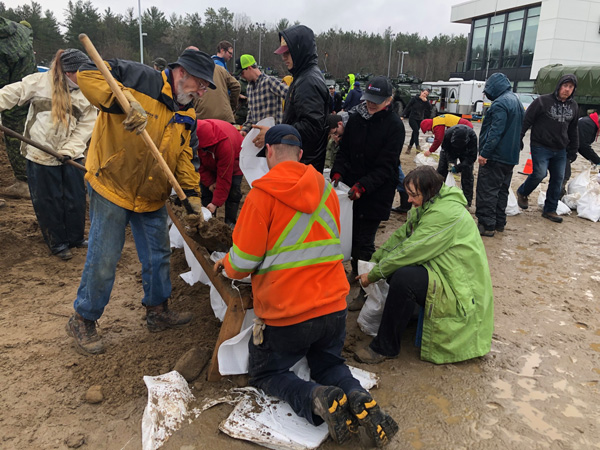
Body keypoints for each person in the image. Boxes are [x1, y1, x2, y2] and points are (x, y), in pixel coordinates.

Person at [214, 124, 398, 447]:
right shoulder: (326, 191)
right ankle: (357, 395)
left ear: (269, 152)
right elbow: (333, 244)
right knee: (328, 363)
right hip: (332, 310)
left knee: (266, 373)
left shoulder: (261, 195)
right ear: (300, 155)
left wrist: (224, 264)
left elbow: (243, 262)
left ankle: (316, 399)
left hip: (288, 315)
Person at [66, 48, 215, 355]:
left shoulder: (187, 113)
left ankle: (157, 311)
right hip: (112, 183)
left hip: (151, 196)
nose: (201, 91)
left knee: (158, 256)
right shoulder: (137, 77)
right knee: (105, 257)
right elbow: (87, 73)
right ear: (181, 72)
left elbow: (184, 158)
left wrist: (194, 200)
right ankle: (83, 318)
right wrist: (122, 100)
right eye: (200, 83)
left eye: (204, 87)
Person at [353, 166, 494, 365]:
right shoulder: (431, 203)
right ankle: (407, 317)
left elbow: (410, 249)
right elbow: (403, 236)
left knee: (403, 278)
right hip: (444, 271)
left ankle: (385, 347)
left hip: (460, 288)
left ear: (429, 191)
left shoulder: (445, 213)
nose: (408, 200)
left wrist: (374, 274)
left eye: (413, 195)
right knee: (394, 270)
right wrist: (376, 260)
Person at [0, 48, 97, 259]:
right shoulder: (40, 82)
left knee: (75, 198)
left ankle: (75, 238)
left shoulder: (88, 92)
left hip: (71, 155)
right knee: (48, 201)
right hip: (40, 154)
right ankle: (58, 243)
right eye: (80, 72)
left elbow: (87, 126)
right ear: (68, 72)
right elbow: (9, 93)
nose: (85, 75)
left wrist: (69, 150)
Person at [331, 76, 405, 310]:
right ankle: (354, 273)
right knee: (350, 238)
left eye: (377, 101)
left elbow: (386, 165)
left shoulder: (394, 126)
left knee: (364, 242)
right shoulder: (356, 118)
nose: (371, 105)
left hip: (376, 191)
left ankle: (365, 287)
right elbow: (344, 152)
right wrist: (337, 173)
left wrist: (363, 186)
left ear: (388, 100)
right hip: (352, 189)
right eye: (369, 100)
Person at [516, 74, 579, 224]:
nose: (567, 89)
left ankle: (550, 209)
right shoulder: (542, 101)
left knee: (558, 179)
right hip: (541, 145)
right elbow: (527, 120)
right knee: (539, 173)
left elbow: (573, 129)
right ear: (559, 86)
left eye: (570, 87)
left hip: (561, 148)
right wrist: (519, 137)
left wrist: (573, 149)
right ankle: (523, 192)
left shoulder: (574, 107)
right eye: (565, 86)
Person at [267, 24, 330, 173]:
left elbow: (311, 127)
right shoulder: (303, 76)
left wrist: (275, 133)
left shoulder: (308, 81)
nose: (283, 57)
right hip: (303, 162)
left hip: (305, 164)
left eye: (287, 53)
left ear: (300, 51)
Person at [475, 73, 524, 237]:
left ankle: (486, 225)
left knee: (487, 190)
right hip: (510, 157)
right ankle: (499, 223)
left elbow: (495, 131)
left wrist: (484, 153)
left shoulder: (499, 104)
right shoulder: (516, 101)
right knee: (502, 190)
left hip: (495, 156)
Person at [0, 17, 37, 200]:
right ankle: (27, 180)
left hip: (12, 86)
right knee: (27, 127)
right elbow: (28, 30)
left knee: (16, 127)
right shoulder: (19, 31)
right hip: (28, 86)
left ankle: (24, 183)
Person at [196, 119, 243, 227]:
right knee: (205, 191)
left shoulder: (225, 145)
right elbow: (198, 165)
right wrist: (210, 182)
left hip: (235, 161)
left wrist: (215, 203)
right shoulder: (194, 138)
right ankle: (208, 223)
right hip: (209, 162)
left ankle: (230, 223)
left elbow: (224, 176)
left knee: (233, 191)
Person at [236, 54, 288, 136]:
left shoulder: (270, 82)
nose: (242, 76)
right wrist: (245, 130)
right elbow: (250, 114)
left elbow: (291, 95)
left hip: (273, 135)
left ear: (249, 67)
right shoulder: (249, 88)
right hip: (258, 137)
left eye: (242, 73)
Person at [436, 124, 477, 208]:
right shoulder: (447, 134)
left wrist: (459, 167)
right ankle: (436, 195)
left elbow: (472, 158)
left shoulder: (472, 137)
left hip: (466, 153)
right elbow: (446, 150)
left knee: (467, 175)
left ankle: (467, 201)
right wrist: (451, 163)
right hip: (450, 151)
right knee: (441, 171)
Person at [562, 112, 600, 194]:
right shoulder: (588, 125)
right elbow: (583, 146)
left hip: (565, 150)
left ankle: (557, 195)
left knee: (563, 174)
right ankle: (556, 196)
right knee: (564, 174)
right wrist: (597, 160)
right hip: (562, 150)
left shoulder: (589, 122)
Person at [403, 88, 431, 154]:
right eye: (424, 93)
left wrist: (426, 102)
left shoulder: (426, 101)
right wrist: (403, 115)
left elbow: (430, 108)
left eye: (426, 95)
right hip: (412, 118)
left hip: (420, 119)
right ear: (421, 92)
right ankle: (418, 147)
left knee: (414, 133)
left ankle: (409, 148)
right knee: (416, 131)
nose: (424, 95)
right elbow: (407, 107)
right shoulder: (414, 99)